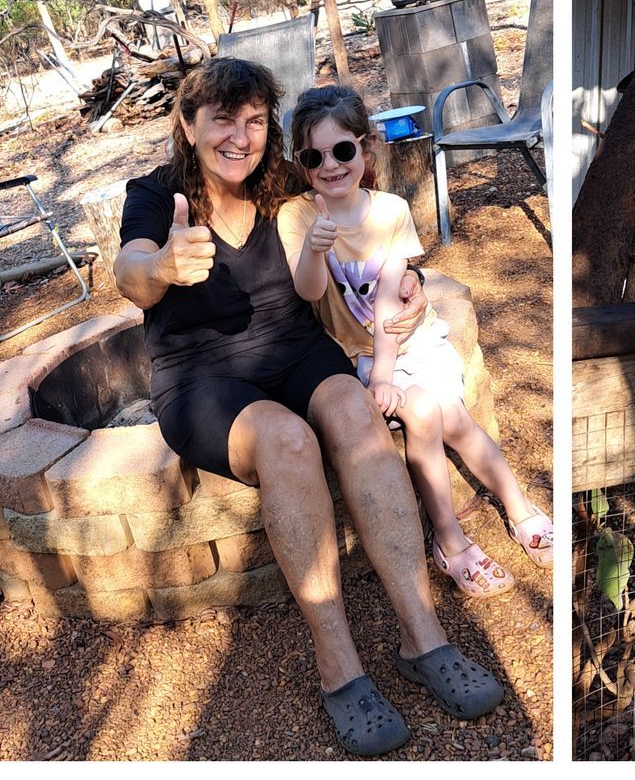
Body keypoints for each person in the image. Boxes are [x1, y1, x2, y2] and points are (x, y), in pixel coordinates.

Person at [113, 58, 503, 756]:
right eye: (223, 119)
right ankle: (339, 665)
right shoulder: (155, 195)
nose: (240, 136)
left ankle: (423, 636)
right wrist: (165, 266)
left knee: (356, 415)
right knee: (288, 440)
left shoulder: (282, 186)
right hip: (200, 377)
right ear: (187, 123)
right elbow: (129, 272)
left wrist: (407, 283)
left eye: (255, 120)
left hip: (296, 350)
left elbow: (361, 219)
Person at [281, 85, 554, 599]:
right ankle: (450, 539)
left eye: (342, 150)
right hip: (358, 354)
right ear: (302, 162)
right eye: (314, 156)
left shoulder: (388, 210)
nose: (330, 165)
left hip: (410, 345)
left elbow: (389, 290)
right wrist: (315, 249)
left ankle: (519, 510)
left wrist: (386, 372)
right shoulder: (297, 216)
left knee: (451, 416)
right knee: (428, 412)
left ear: (365, 149)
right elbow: (310, 293)